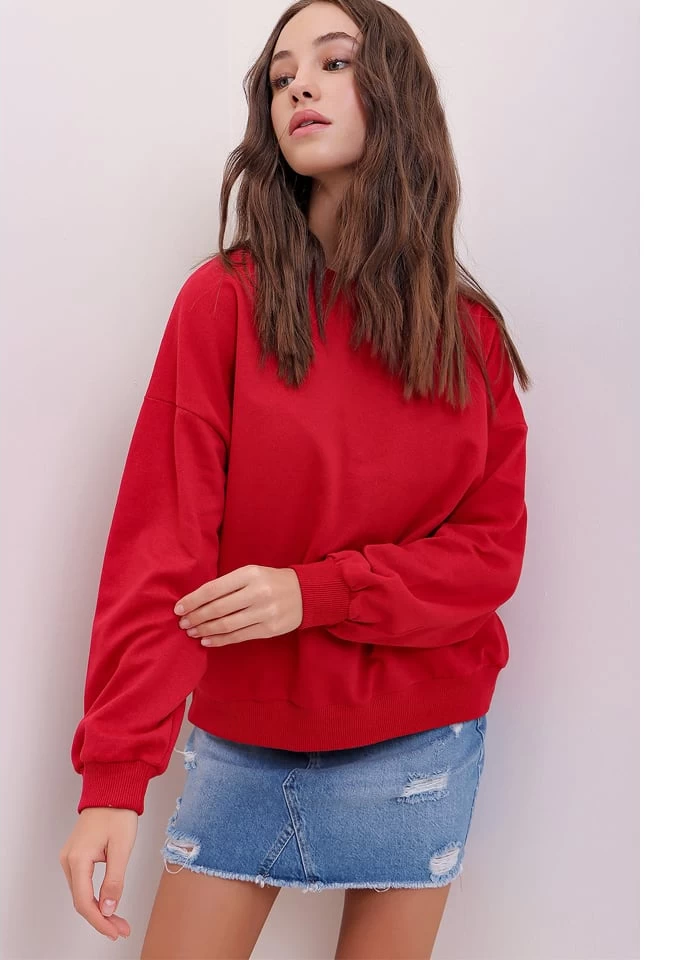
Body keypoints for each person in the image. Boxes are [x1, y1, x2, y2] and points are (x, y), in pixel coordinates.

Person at [59, 1, 532, 957]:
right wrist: (114, 777)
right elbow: (160, 547)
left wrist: (313, 593)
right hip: (242, 740)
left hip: (422, 742)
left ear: (394, 94)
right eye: (281, 77)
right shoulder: (224, 304)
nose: (300, 87)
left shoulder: (467, 334)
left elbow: (488, 558)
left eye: (333, 62)